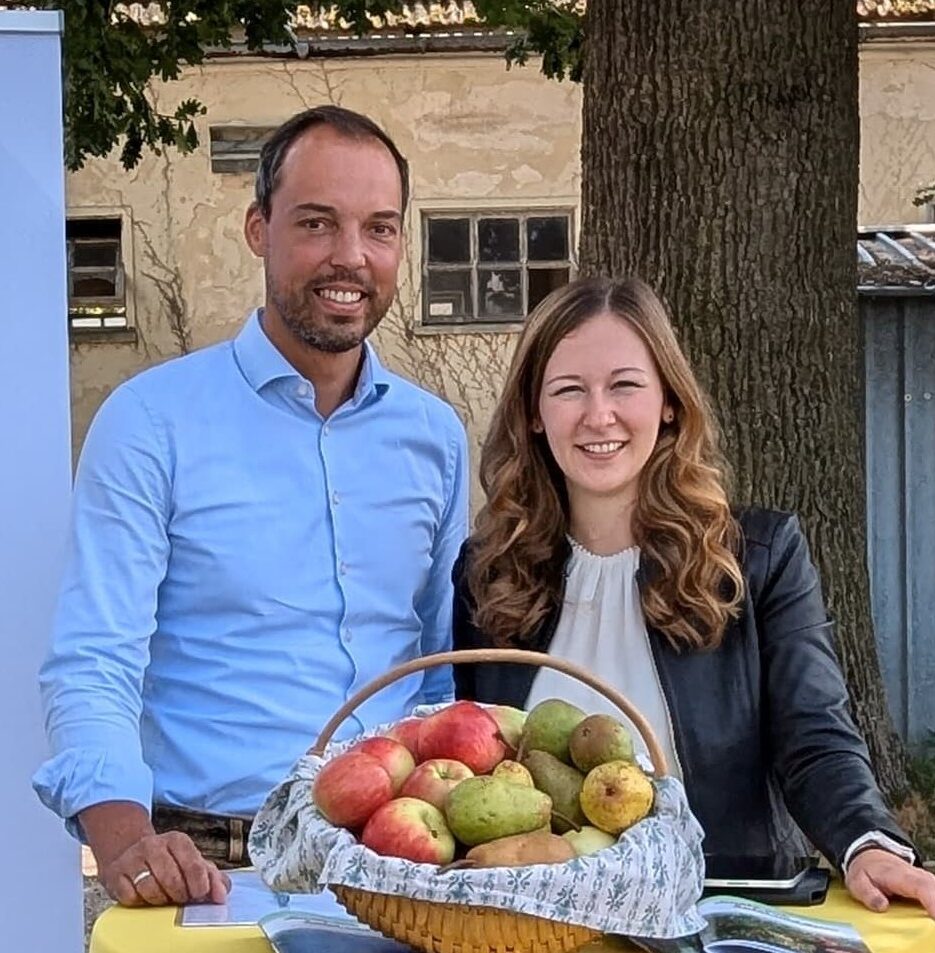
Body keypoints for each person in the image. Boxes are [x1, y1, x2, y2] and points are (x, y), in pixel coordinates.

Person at [34, 106, 469, 908]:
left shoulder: (434, 436)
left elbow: (443, 665)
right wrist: (126, 842)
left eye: (378, 228)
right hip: (208, 868)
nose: (350, 256)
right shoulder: (152, 422)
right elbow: (95, 659)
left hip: (397, 864)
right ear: (258, 229)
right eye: (316, 222)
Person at [452, 275, 935, 916]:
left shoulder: (758, 559)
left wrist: (867, 844)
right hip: (532, 924)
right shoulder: (491, 573)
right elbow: (471, 764)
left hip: (712, 915)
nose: (598, 415)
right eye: (569, 389)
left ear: (670, 404)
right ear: (535, 415)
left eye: (625, 385)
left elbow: (815, 737)